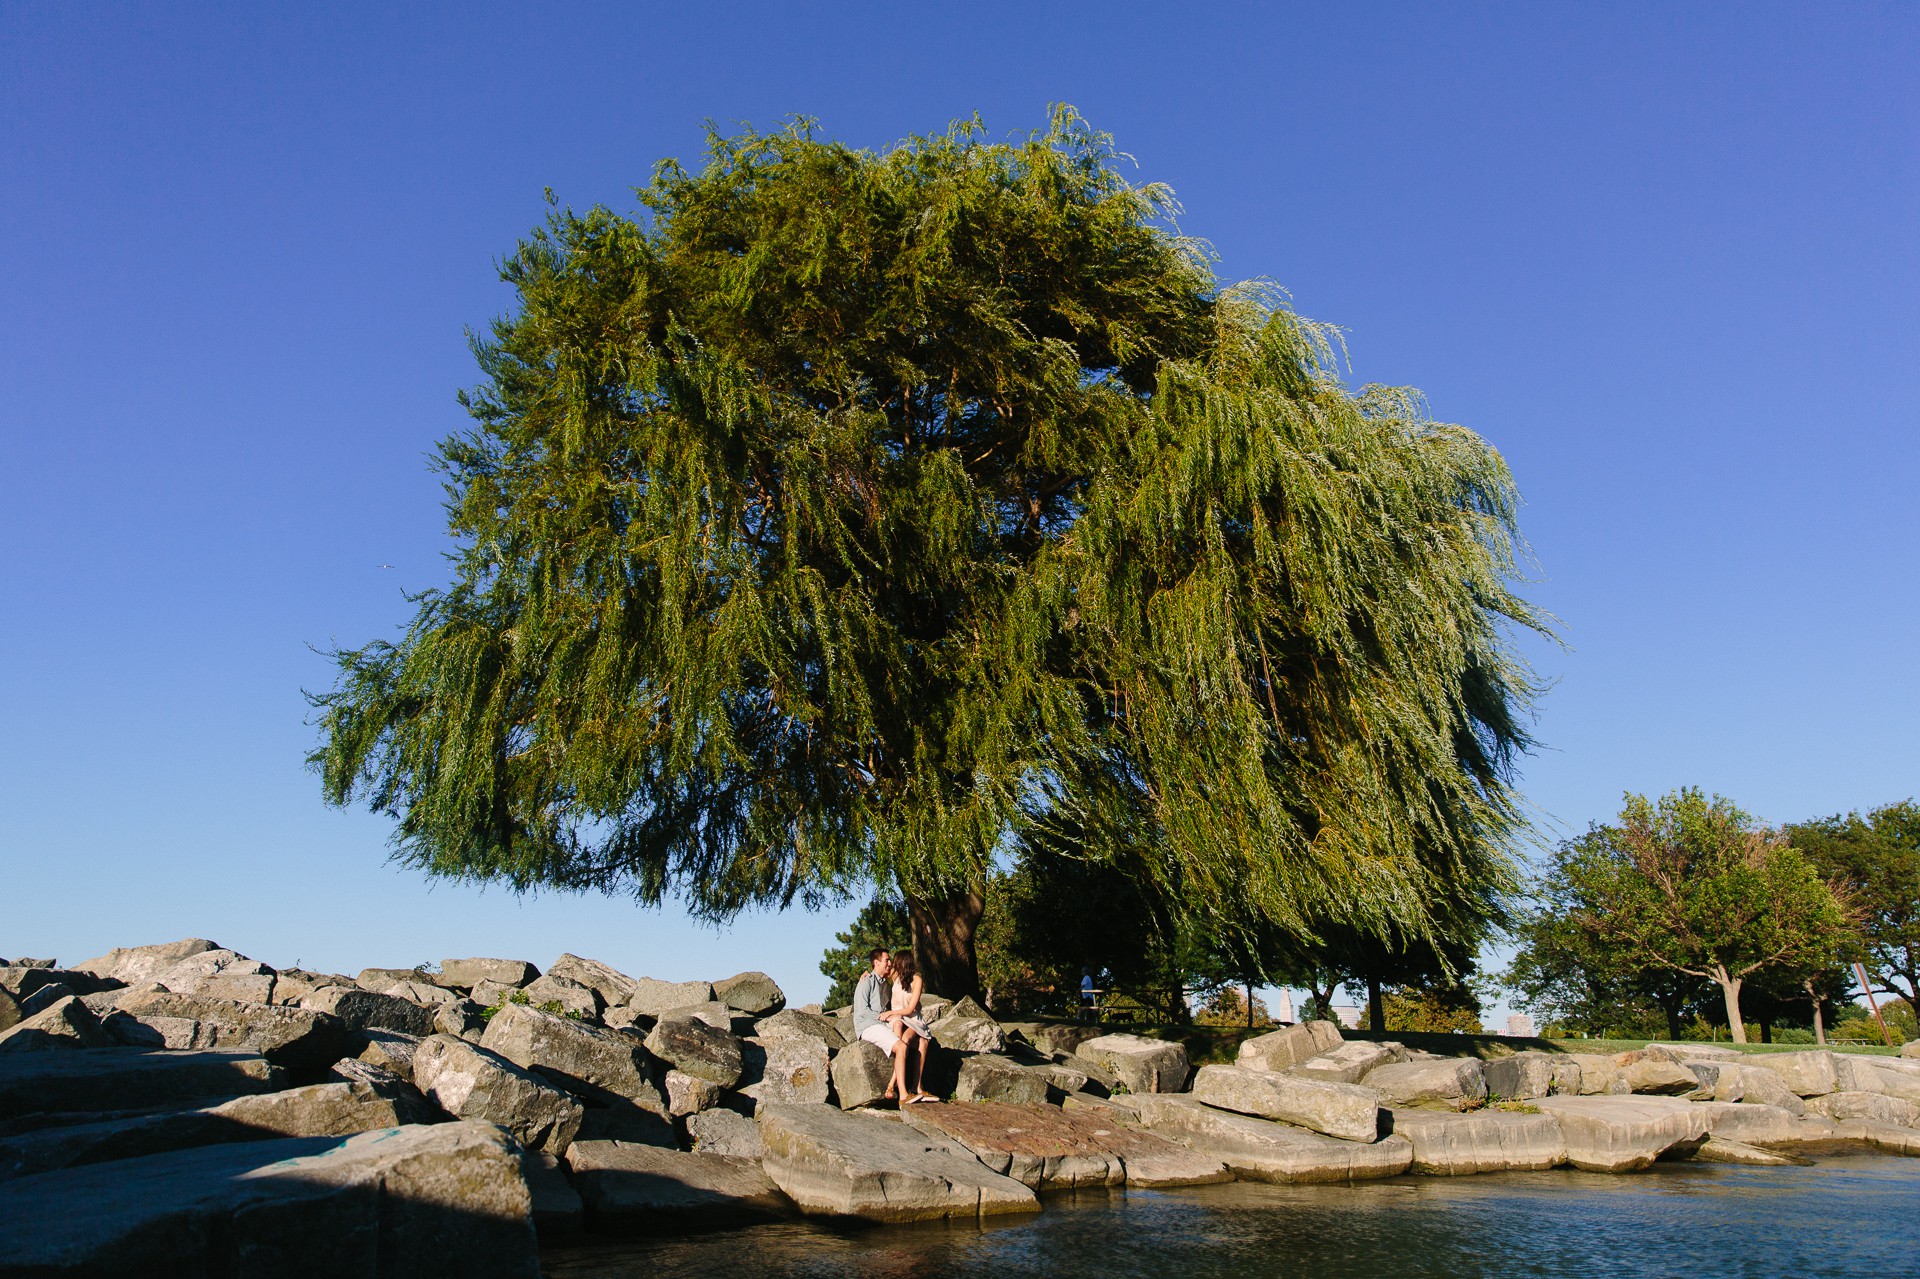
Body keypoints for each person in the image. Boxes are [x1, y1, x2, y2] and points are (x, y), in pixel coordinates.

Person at [852, 948, 909, 1102]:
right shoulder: (866, 981)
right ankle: (903, 1094)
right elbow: (862, 1011)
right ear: (876, 963)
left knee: (898, 1024)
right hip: (868, 1025)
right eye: (887, 960)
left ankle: (895, 1075)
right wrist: (883, 1018)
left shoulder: (885, 984)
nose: (890, 963)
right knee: (902, 1046)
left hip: (881, 1023)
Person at [888, 950, 937, 1103]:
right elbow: (878, 974)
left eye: (896, 962)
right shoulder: (895, 976)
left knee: (918, 1041)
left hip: (912, 1019)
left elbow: (911, 1009)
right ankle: (901, 1085)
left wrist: (890, 1012)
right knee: (908, 1040)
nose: (893, 965)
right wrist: (865, 974)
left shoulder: (917, 979)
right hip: (897, 1018)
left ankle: (915, 1085)